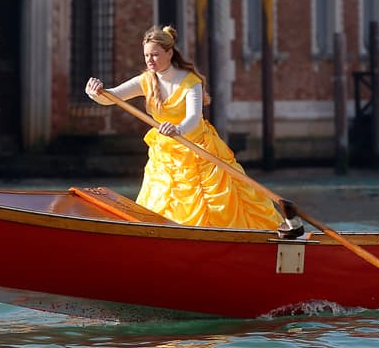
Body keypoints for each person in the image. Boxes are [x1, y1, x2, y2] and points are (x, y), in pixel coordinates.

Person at [85, 26, 289, 231]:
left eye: (155, 55)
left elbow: (193, 117)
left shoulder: (190, 81)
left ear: (169, 53)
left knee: (215, 199)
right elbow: (112, 96)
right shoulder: (146, 81)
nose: (150, 60)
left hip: (198, 148)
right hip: (165, 155)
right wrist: (95, 93)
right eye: (146, 55)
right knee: (160, 198)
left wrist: (178, 129)